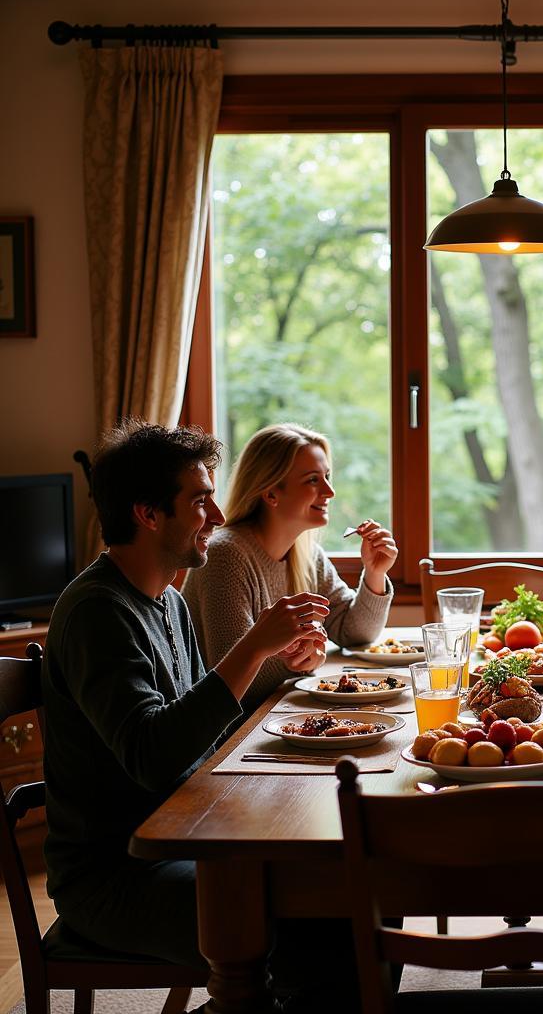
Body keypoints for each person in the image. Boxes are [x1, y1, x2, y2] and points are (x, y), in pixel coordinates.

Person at [42, 419, 331, 985]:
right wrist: (252, 648)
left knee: (342, 889)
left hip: (187, 837)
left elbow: (205, 739)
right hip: (117, 875)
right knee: (316, 923)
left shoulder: (168, 604)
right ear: (149, 514)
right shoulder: (97, 613)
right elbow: (153, 756)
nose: (219, 518)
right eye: (201, 501)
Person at [183, 423, 397, 712]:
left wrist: (375, 573)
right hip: (230, 734)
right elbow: (235, 680)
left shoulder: (307, 554)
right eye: (312, 480)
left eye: (327, 477)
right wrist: (302, 659)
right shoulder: (226, 556)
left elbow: (353, 632)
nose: (330, 491)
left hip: (277, 713)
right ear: (271, 494)